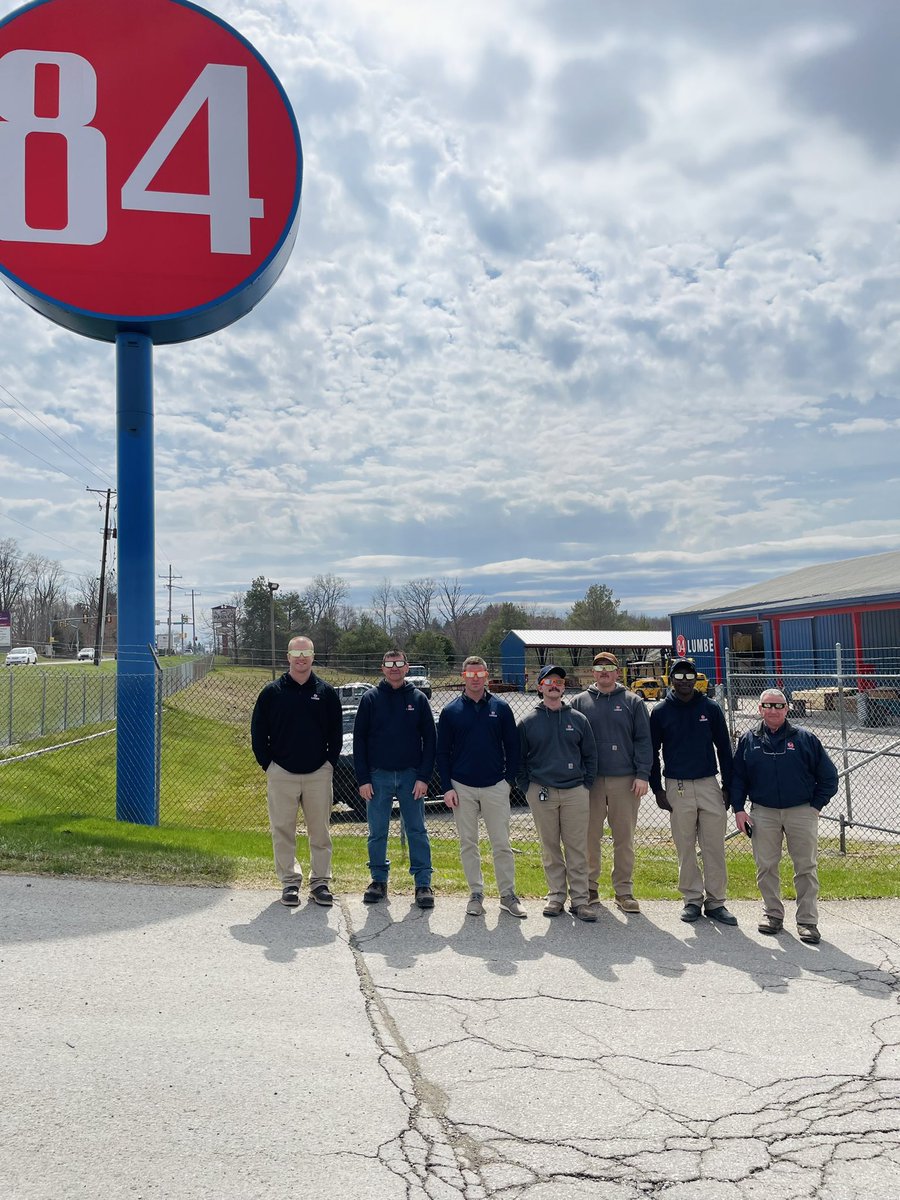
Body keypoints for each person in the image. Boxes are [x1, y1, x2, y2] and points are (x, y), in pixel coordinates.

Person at [731, 688, 838, 944]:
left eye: (778, 706)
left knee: (806, 867)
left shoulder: (804, 739)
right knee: (766, 865)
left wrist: (815, 807)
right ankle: (773, 914)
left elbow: (829, 778)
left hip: (801, 811)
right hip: (763, 812)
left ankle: (807, 921)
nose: (773, 710)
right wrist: (738, 809)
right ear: (759, 709)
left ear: (787, 709)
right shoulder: (749, 739)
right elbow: (738, 778)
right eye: (767, 705)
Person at [250, 636, 343, 907]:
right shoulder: (272, 692)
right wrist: (269, 764)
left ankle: (320, 882)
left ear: (313, 656)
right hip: (282, 773)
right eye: (296, 652)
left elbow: (335, 733)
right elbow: (258, 733)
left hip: (318, 773)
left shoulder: (326, 693)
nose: (301, 658)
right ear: (287, 656)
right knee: (283, 830)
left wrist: (329, 763)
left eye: (306, 652)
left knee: (320, 831)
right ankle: (290, 883)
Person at [649, 658, 738, 925]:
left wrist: (728, 787)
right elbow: (652, 753)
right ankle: (691, 899)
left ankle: (716, 902)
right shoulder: (661, 711)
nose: (684, 681)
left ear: (696, 679)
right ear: (671, 679)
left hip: (709, 784)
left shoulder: (710, 708)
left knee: (714, 846)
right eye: (679, 676)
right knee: (685, 847)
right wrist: (657, 789)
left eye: (689, 677)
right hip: (677, 786)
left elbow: (724, 748)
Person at [437, 656, 525, 919]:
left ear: (487, 675)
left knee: (501, 844)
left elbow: (513, 747)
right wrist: (447, 787)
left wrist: (507, 780)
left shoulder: (502, 707)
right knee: (468, 844)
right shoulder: (451, 711)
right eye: (470, 674)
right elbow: (442, 753)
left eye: (480, 673)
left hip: (495, 786)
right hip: (461, 787)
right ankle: (476, 894)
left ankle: (507, 895)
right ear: (463, 675)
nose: (475, 678)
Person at [353, 648, 437, 909]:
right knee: (377, 832)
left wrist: (423, 777)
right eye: (389, 664)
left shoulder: (419, 699)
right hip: (378, 777)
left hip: (411, 777)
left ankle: (423, 883)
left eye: (399, 663)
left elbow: (431, 741)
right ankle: (378, 880)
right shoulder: (370, 699)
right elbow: (359, 741)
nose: (394, 668)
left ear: (407, 667)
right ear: (383, 668)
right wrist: (363, 779)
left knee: (417, 830)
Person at [571, 652, 652, 912]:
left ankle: (624, 891)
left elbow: (643, 740)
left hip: (625, 781)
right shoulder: (579, 702)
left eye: (609, 667)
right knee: (589, 836)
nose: (604, 671)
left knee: (623, 838)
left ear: (618, 672)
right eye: (598, 667)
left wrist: (642, 774)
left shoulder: (633, 701)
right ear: (592, 672)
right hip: (590, 782)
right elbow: (572, 742)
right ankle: (590, 887)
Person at [517, 664, 598, 922]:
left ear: (564, 687)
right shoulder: (528, 722)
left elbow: (590, 756)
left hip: (575, 791)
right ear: (540, 687)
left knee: (577, 847)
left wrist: (585, 784)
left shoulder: (578, 719)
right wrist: (527, 787)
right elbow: (518, 760)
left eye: (559, 682)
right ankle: (556, 897)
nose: (554, 685)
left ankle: (581, 901)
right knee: (550, 847)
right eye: (549, 681)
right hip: (542, 791)